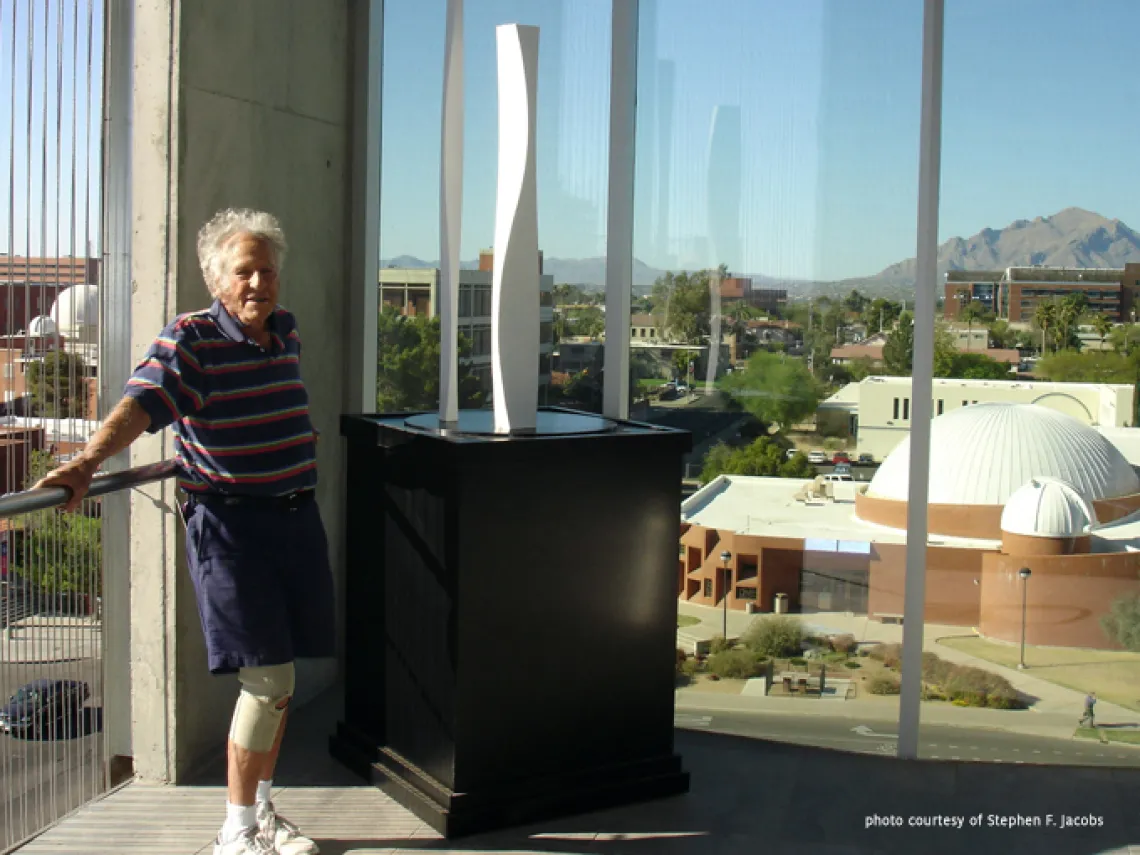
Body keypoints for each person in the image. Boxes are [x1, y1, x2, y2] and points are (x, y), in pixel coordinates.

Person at [34, 209, 333, 855]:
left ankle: (262, 811)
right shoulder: (191, 340)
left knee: (279, 686)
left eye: (267, 269)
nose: (259, 283)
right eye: (243, 271)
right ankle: (236, 831)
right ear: (214, 278)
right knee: (268, 681)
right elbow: (141, 404)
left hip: (294, 518)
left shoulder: (285, 330)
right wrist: (86, 462)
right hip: (233, 526)